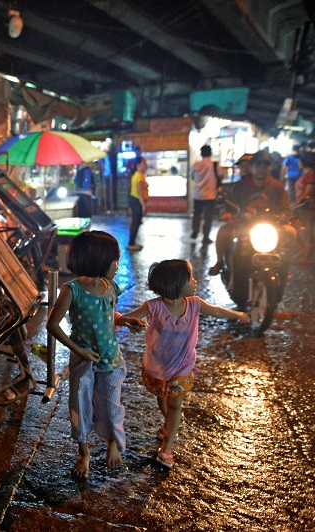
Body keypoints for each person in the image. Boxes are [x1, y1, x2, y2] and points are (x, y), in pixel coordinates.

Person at [123, 260, 249, 468]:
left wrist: (237, 315)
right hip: (157, 367)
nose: (195, 282)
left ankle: (167, 448)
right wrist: (124, 322)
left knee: (174, 404)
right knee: (162, 397)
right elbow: (126, 319)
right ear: (176, 284)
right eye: (190, 278)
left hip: (182, 367)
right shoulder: (153, 307)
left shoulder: (195, 304)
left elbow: (217, 311)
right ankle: (169, 425)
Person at [46, 230, 146, 478]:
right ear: (99, 259)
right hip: (83, 361)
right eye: (116, 259)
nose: (118, 264)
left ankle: (113, 443)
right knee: (79, 406)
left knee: (112, 407)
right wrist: (78, 349)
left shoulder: (110, 286)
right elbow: (52, 324)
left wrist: (126, 321)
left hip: (111, 359)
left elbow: (110, 315)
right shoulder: (72, 290)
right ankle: (84, 452)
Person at [209, 150, 290, 275]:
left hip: (272, 225)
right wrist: (226, 213)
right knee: (224, 231)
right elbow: (229, 205)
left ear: (270, 167)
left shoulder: (277, 187)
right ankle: (219, 262)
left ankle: (284, 271)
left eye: (265, 166)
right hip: (243, 224)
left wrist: (285, 215)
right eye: (258, 165)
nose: (261, 169)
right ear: (251, 167)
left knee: (291, 232)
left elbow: (284, 207)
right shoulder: (239, 186)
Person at [190, 145, 221, 244]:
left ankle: (195, 230)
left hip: (198, 194)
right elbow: (221, 175)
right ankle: (205, 237)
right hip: (210, 195)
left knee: (197, 214)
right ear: (210, 153)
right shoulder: (215, 165)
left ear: (201, 153)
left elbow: (192, 176)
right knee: (208, 217)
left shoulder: (196, 164)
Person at [293, 151, 315, 264]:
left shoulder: (311, 176)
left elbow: (307, 195)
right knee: (297, 230)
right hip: (302, 208)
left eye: (299, 161)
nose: (298, 162)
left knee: (308, 233)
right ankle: (303, 251)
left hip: (308, 209)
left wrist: (295, 206)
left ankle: (306, 257)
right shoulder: (307, 174)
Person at [127, 156, 149, 251]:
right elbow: (140, 193)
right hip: (136, 201)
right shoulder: (139, 176)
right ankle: (131, 244)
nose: (146, 164)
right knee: (135, 222)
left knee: (135, 222)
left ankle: (132, 242)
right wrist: (143, 205)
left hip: (134, 200)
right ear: (139, 165)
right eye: (144, 162)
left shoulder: (137, 174)